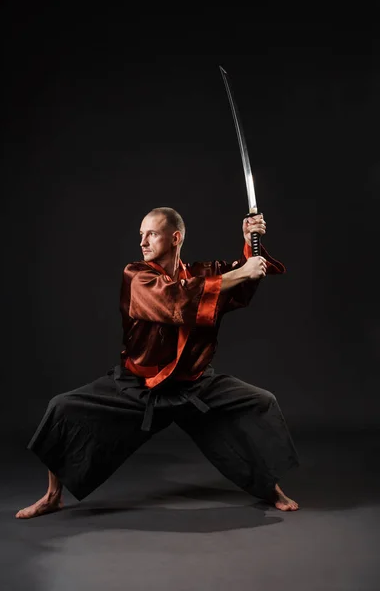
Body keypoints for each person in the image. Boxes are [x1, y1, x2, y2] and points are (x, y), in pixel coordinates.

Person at [16, 207, 299, 519]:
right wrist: (239, 273)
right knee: (62, 407)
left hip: (194, 384)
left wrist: (250, 244)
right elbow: (174, 299)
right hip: (139, 384)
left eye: (150, 233)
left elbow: (241, 284)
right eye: (141, 235)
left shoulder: (202, 274)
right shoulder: (136, 275)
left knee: (260, 401)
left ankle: (270, 488)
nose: (143, 241)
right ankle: (53, 496)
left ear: (174, 238)